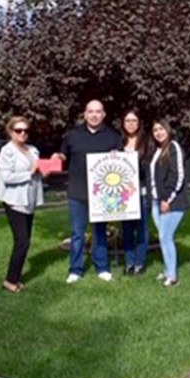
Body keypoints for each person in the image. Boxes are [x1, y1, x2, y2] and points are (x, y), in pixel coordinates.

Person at [58, 100, 122, 283]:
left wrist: (117, 157)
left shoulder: (113, 136)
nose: (94, 115)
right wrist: (58, 156)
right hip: (77, 192)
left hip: (101, 194)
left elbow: (121, 160)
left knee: (100, 232)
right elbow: (63, 154)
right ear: (85, 114)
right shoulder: (73, 135)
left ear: (103, 115)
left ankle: (102, 267)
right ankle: (75, 270)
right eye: (90, 111)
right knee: (77, 233)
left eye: (98, 112)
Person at [0, 116, 45, 293]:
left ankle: (14, 277)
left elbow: (37, 172)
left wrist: (44, 171)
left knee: (26, 240)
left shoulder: (33, 150)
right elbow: (7, 177)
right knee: (22, 241)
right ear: (10, 132)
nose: (22, 133)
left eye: (25, 130)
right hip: (13, 200)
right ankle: (10, 280)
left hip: (29, 199)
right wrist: (30, 173)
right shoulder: (7, 151)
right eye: (18, 130)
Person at [149, 120, 190, 287]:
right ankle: (167, 270)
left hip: (171, 201)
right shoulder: (157, 150)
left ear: (168, 130)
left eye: (161, 129)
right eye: (155, 130)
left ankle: (173, 278)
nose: (158, 132)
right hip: (156, 200)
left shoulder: (173, 147)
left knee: (165, 237)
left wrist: (168, 199)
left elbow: (177, 176)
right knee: (163, 238)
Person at [120, 109, 150, 275]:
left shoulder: (147, 142)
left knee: (142, 230)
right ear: (123, 124)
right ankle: (129, 263)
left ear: (139, 123)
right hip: (124, 196)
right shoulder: (119, 143)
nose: (131, 124)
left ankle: (140, 262)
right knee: (127, 230)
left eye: (134, 120)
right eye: (127, 120)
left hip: (142, 193)